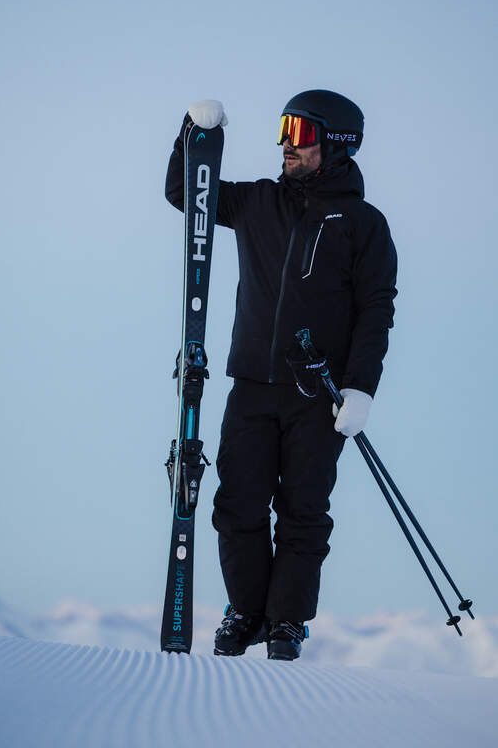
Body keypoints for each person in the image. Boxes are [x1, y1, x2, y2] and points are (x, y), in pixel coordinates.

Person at [165, 90, 398, 660]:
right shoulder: (257, 203)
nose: (286, 145)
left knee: (302, 513)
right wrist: (190, 134)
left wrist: (360, 388)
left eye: (300, 133)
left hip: (317, 396)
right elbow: (185, 193)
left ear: (336, 145)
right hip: (250, 385)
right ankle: (245, 611)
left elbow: (376, 309)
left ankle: (285, 622)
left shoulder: (363, 224)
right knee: (236, 505)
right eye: (284, 130)